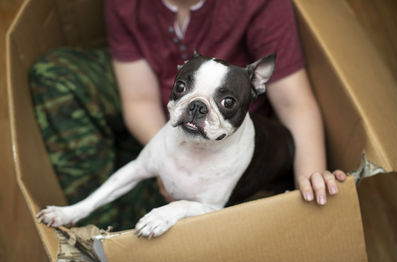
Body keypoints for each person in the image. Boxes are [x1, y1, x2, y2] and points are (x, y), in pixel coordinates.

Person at [30, 0, 346, 230]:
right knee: (53, 76)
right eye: (185, 87)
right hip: (161, 122)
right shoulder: (126, 6)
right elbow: (139, 100)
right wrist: (168, 161)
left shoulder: (261, 6)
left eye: (224, 103)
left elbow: (294, 104)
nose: (199, 106)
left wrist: (311, 179)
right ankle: (106, 230)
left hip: (233, 156)